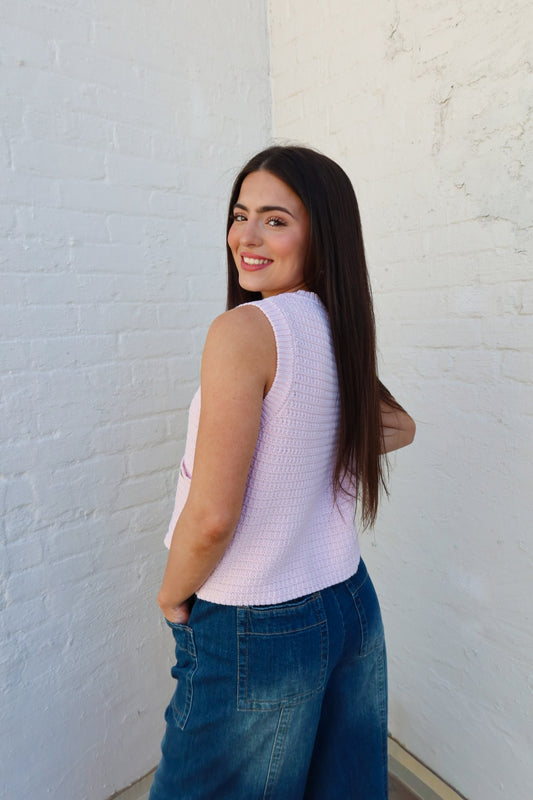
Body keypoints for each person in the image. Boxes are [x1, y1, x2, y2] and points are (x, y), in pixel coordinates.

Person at [149, 145, 415, 800]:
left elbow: (212, 517)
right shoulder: (335, 325)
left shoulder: (244, 331)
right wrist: (305, 448)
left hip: (253, 618)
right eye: (240, 215)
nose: (246, 236)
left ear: (322, 234)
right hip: (347, 601)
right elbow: (397, 425)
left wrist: (172, 593)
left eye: (275, 220)